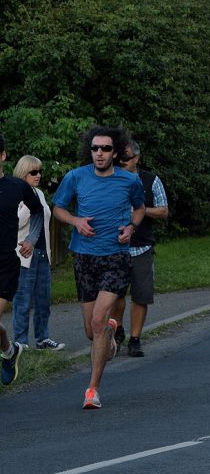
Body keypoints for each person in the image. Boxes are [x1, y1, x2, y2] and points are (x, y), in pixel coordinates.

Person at [52, 126, 146, 409]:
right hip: (84, 258)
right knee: (91, 331)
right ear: (90, 151)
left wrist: (130, 227)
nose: (100, 153)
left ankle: (92, 389)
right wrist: (76, 222)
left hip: (115, 257)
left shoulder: (129, 181)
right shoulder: (75, 177)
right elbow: (59, 208)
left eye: (105, 149)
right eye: (95, 148)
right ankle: (109, 338)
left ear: (115, 152)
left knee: (97, 321)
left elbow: (139, 209)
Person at [111, 139, 169, 357]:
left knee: (141, 295)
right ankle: (118, 330)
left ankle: (135, 339)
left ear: (137, 158)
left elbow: (163, 211)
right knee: (115, 294)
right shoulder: (110, 178)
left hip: (141, 246)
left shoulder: (150, 180)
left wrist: (141, 210)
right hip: (115, 245)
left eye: (127, 158)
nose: (122, 162)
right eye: (120, 158)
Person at [0, 133, 42, 389]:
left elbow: (37, 211)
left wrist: (32, 239)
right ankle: (9, 350)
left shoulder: (17, 186)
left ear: (3, 155)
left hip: (4, 264)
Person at [12, 155, 65, 351]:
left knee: (44, 300)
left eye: (40, 171)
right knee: (23, 301)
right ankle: (20, 342)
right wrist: (27, 204)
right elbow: (15, 222)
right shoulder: (16, 193)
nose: (38, 175)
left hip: (42, 253)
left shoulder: (40, 194)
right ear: (23, 173)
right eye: (33, 172)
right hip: (24, 255)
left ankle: (43, 339)